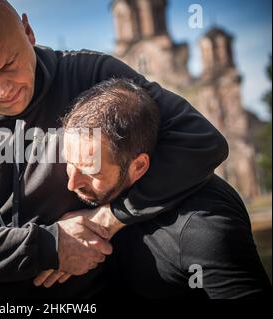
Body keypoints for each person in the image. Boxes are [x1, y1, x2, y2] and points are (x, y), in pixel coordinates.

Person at [0, 0, 229, 298]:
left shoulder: (90, 74)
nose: (1, 90)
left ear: (28, 32)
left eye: (8, 65)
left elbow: (199, 141)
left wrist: (109, 217)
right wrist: (49, 245)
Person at [56, 78, 271, 298]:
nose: (72, 184)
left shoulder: (202, 225)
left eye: (91, 172)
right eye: (69, 163)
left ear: (138, 166)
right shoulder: (93, 193)